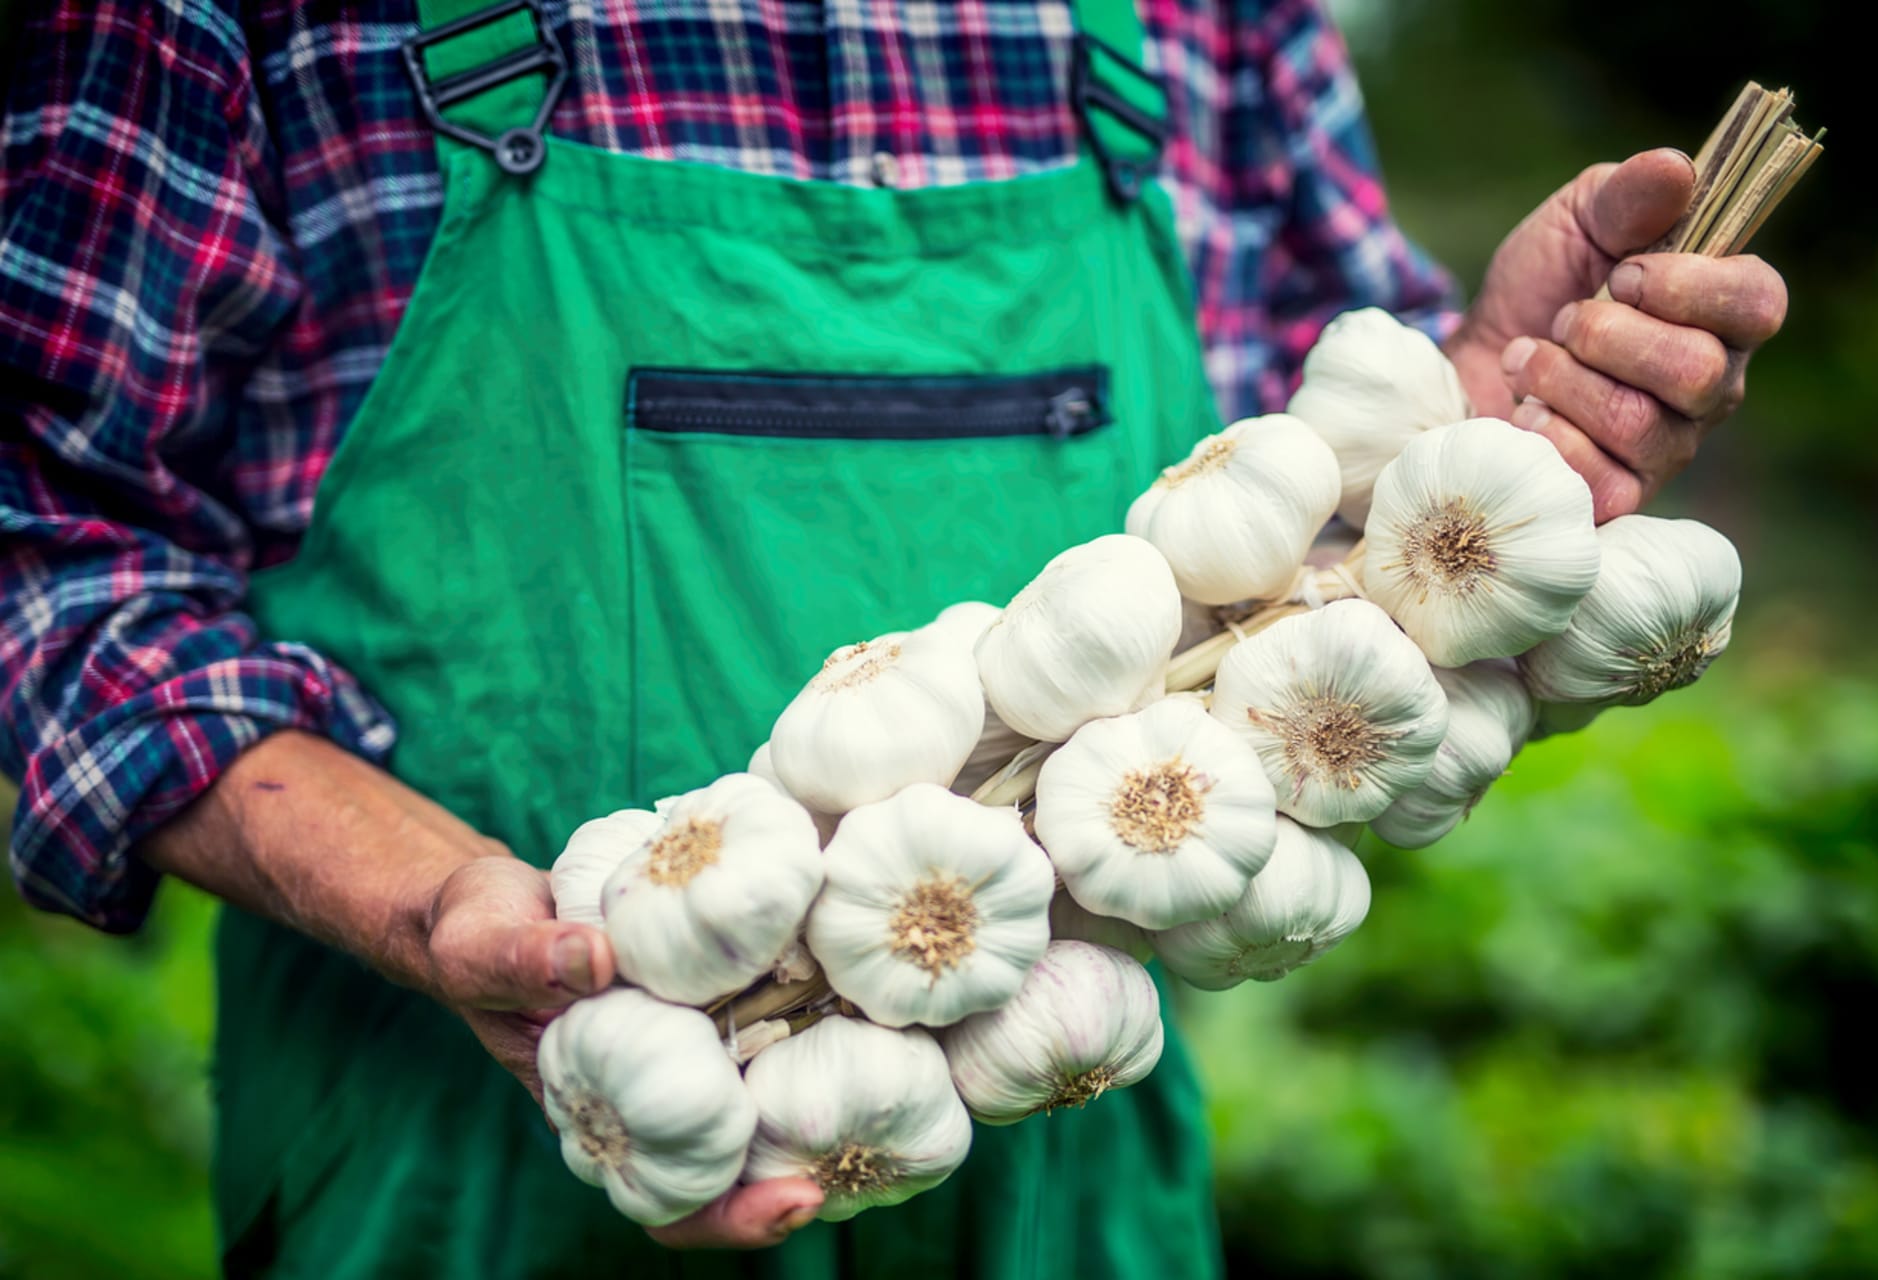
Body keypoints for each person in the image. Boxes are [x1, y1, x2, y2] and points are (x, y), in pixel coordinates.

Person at [0, 0, 1786, 1275]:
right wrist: (435, 902)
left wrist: (1485, 438)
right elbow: (42, 554)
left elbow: (1311, 622)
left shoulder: (1213, 20)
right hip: (463, 1182)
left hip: (1071, 1148)